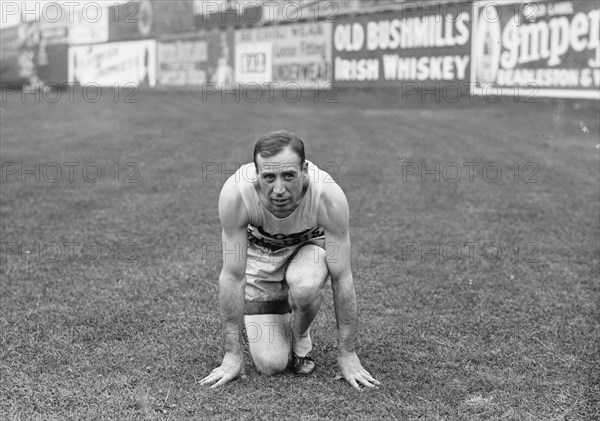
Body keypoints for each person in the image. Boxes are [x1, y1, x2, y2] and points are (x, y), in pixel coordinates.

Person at [200, 130, 380, 390]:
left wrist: (348, 354)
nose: (279, 190)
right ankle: (279, 307)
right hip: (261, 257)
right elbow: (233, 275)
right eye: (269, 177)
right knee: (270, 365)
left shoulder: (328, 196)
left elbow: (342, 277)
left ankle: (301, 336)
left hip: (309, 250)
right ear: (256, 173)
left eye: (289, 176)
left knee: (305, 286)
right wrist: (233, 355)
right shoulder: (236, 195)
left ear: (305, 169)